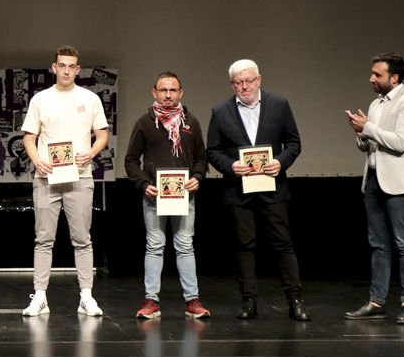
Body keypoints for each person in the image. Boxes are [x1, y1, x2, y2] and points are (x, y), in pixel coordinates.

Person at [206, 59, 309, 321]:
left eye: (249, 80)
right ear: (232, 84)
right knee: (244, 246)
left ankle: (295, 300)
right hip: (238, 190)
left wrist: (280, 162)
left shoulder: (279, 105)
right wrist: (232, 166)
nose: (244, 86)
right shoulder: (220, 111)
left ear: (259, 80)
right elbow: (213, 151)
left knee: (283, 244)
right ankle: (248, 301)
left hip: (273, 187)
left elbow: (294, 143)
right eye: (239, 82)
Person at [21, 46, 110, 317]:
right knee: (44, 239)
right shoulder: (41, 99)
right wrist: (37, 160)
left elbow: (102, 135)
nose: (67, 70)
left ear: (78, 69)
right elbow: (29, 137)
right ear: (54, 67)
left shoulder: (90, 98)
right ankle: (40, 297)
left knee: (82, 239)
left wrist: (91, 153)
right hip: (47, 177)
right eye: (62, 65)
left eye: (71, 66)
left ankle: (86, 296)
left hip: (80, 177)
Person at [344, 53, 404, 325]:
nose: (372, 79)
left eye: (377, 74)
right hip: (375, 180)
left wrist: (368, 127)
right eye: (372, 73)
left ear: (395, 77)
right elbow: (370, 146)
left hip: (401, 184)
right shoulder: (376, 104)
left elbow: (400, 142)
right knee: (378, 244)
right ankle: (377, 301)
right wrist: (360, 133)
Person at [124, 71, 210, 320]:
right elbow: (130, 160)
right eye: (164, 90)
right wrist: (143, 183)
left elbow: (202, 157)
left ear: (181, 93)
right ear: (154, 92)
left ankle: (192, 301)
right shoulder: (144, 123)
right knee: (155, 246)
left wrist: (198, 177)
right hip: (154, 196)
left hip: (184, 197)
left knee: (184, 246)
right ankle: (151, 301)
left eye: (173, 90)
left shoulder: (190, 122)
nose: (168, 95)